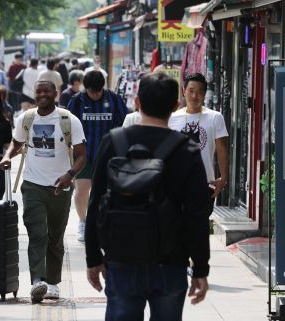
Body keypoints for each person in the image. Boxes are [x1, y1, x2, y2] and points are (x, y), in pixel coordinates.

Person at [85, 72, 210, 320]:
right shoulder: (187, 149)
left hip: (121, 258)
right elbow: (197, 215)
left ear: (137, 102)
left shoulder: (114, 141)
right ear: (176, 106)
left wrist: (93, 257)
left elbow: (95, 200)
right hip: (171, 261)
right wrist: (200, 268)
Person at [0, 80, 87, 303]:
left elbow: (82, 155)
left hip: (61, 186)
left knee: (55, 237)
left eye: (46, 91)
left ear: (55, 93)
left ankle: (53, 282)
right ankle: (38, 280)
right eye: (38, 91)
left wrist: (69, 175)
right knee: (37, 232)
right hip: (32, 184)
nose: (42, 94)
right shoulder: (26, 118)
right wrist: (8, 155)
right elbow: (16, 143)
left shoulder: (68, 120)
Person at [67, 70, 128, 242]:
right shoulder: (77, 101)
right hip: (83, 155)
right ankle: (83, 222)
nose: (94, 95)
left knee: (105, 192)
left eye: (98, 92)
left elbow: (124, 123)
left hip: (109, 155)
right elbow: (68, 125)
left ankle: (104, 222)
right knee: (82, 191)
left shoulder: (114, 100)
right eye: (91, 92)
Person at [169, 73, 229, 216]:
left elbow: (222, 149)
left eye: (200, 92)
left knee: (199, 229)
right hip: (177, 184)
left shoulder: (215, 117)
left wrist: (224, 178)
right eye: (191, 91)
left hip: (205, 184)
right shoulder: (172, 118)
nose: (195, 96)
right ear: (184, 91)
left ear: (204, 94)